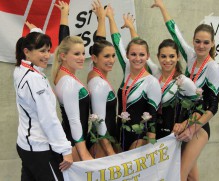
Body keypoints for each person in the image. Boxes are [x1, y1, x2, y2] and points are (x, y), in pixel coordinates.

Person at [151, 0, 219, 180]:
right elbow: (174, 32)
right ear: (193, 41)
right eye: (198, 41)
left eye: (206, 42)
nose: (201, 46)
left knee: (178, 174)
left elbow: (213, 107)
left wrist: (193, 128)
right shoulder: (190, 56)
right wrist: (162, 7)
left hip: (199, 126)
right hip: (183, 123)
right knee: (191, 176)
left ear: (213, 43)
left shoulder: (213, 68)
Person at [121, 15, 200, 140]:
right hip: (152, 133)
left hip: (173, 137)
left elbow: (200, 109)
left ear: (178, 57)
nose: (167, 60)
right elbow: (139, 49)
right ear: (158, 57)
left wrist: (184, 124)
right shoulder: (155, 73)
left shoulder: (184, 81)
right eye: (163, 56)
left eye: (171, 56)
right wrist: (131, 27)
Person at [14, 29, 73, 180]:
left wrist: (35, 31)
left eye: (48, 50)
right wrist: (65, 150)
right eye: (42, 51)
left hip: (26, 146)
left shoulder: (20, 69)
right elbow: (48, 118)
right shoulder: (35, 79)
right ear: (27, 51)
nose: (47, 56)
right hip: (39, 148)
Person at [107, 5, 162, 151]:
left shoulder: (152, 82)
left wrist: (151, 147)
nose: (137, 58)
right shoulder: (127, 70)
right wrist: (111, 18)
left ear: (148, 56)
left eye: (142, 55)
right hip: (120, 132)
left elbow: (152, 116)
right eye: (133, 54)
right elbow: (117, 42)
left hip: (139, 138)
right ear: (127, 55)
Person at [52, 1, 93, 162]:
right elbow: (74, 120)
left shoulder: (64, 73)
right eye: (77, 54)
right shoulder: (67, 82)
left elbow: (64, 42)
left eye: (83, 53)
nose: (82, 58)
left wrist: (64, 15)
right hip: (73, 143)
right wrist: (83, 154)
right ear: (63, 56)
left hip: (75, 141)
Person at [87, 0, 117, 157]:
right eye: (106, 56)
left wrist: (102, 19)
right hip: (101, 145)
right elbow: (99, 122)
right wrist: (110, 151)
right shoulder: (98, 83)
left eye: (113, 56)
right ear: (94, 58)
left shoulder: (94, 72)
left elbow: (99, 43)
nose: (111, 60)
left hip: (105, 141)